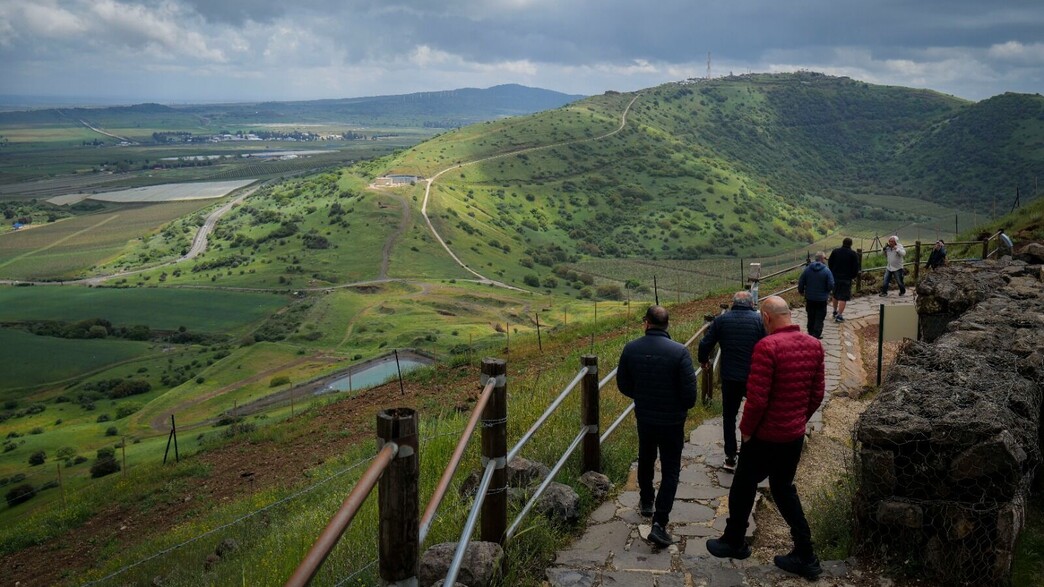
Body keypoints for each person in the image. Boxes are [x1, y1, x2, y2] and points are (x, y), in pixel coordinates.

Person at [706, 296, 825, 580]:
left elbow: (757, 399)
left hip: (765, 435)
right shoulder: (814, 345)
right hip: (793, 435)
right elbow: (817, 394)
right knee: (783, 489)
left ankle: (734, 540)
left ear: (767, 318)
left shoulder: (767, 347)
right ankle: (806, 553)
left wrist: (746, 430)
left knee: (743, 485)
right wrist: (798, 419)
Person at [617, 305, 698, 548]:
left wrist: (641, 397)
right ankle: (660, 521)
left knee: (646, 457)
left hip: (645, 416)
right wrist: (679, 407)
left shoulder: (631, 349)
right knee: (671, 469)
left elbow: (623, 383)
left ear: (647, 323)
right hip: (673, 420)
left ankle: (645, 501)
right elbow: (690, 394)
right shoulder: (679, 352)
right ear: (667, 324)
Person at [697, 290, 765, 472]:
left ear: (733, 303)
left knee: (729, 416)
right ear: (752, 304)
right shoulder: (759, 321)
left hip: (730, 376)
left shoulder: (722, 320)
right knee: (755, 413)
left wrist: (703, 361)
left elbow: (705, 343)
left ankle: (730, 456)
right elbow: (768, 344)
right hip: (754, 376)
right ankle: (749, 453)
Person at [797, 252, 834, 339]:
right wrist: (827, 291)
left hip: (810, 297)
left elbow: (801, 281)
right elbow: (831, 284)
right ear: (822, 259)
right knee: (820, 316)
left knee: (811, 315)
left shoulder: (807, 269)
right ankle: (816, 334)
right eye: (825, 258)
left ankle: (810, 332)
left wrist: (801, 291)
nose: (825, 260)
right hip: (821, 299)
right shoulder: (826, 271)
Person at [827, 237, 861, 322]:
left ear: (843, 242)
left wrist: (832, 272)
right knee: (843, 297)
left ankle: (834, 311)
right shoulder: (853, 254)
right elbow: (856, 267)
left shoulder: (835, 251)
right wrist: (852, 276)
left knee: (835, 294)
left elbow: (830, 262)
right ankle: (839, 315)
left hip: (835, 277)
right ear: (851, 244)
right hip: (846, 278)